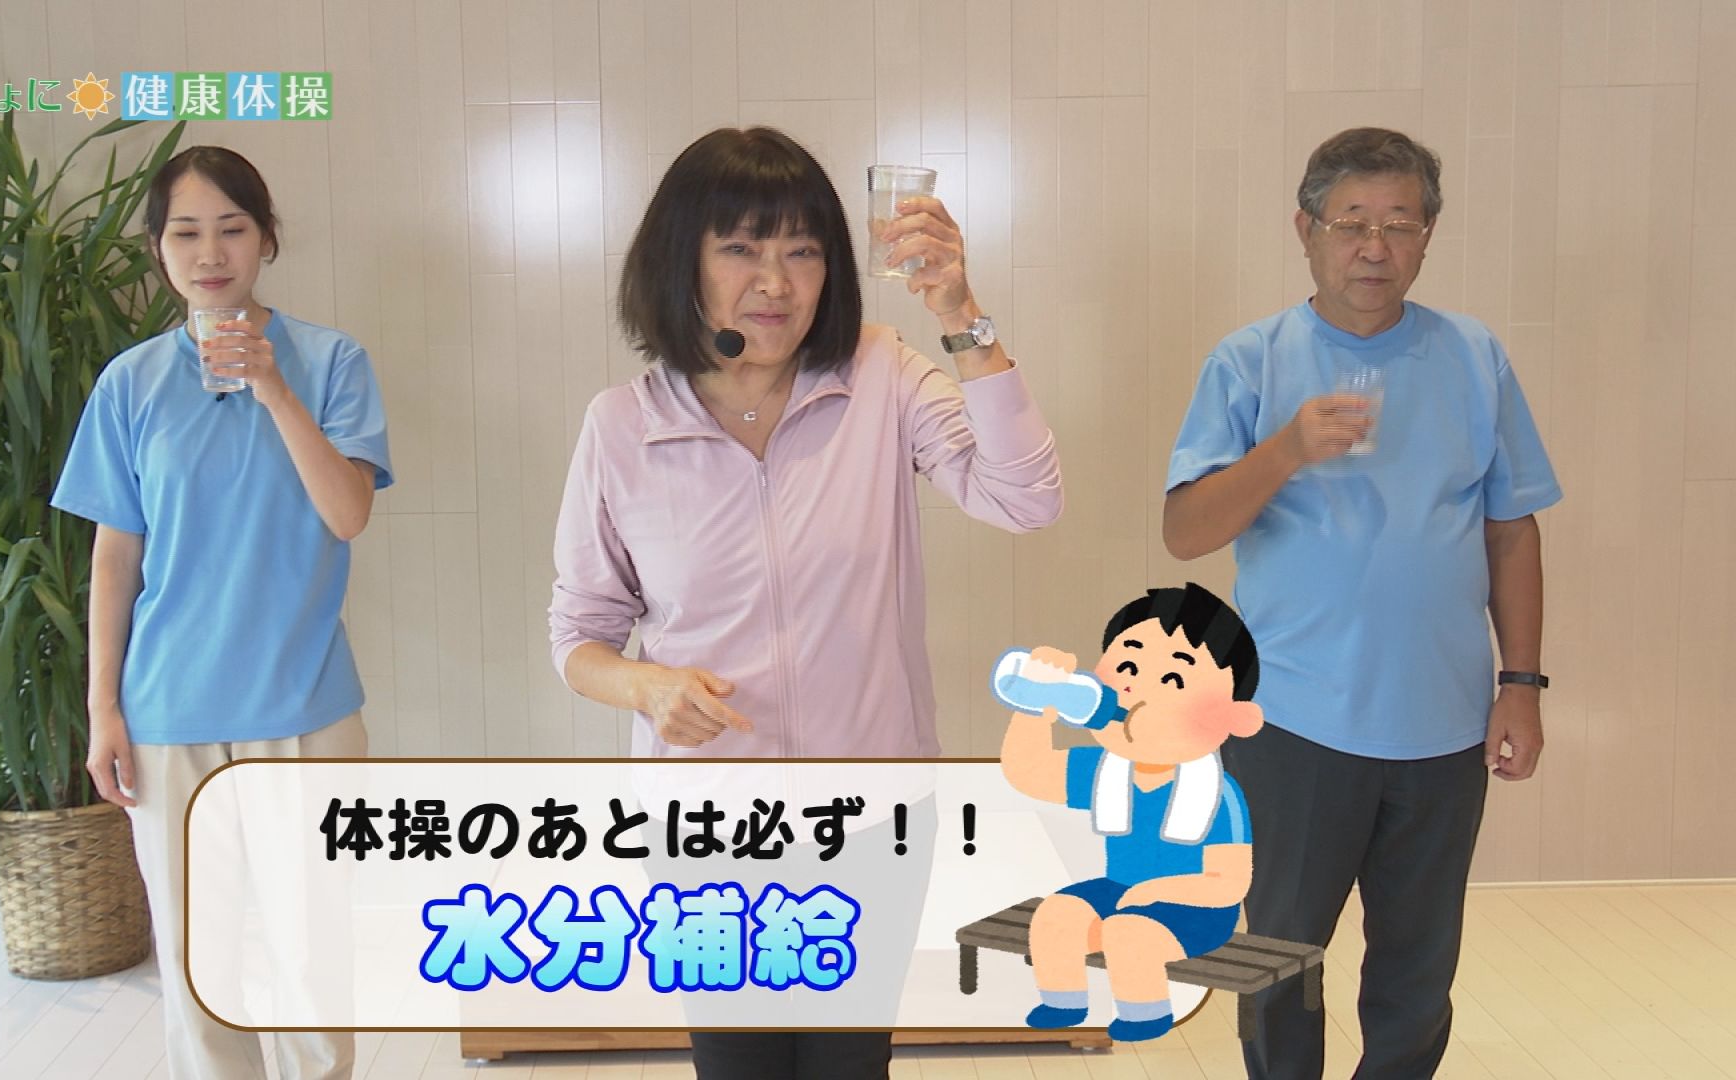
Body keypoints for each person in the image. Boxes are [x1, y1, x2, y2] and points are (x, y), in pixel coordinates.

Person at [548, 126, 1062, 1078]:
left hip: (868, 819)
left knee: (848, 1066)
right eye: (740, 248)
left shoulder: (881, 375)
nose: (775, 282)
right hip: (706, 830)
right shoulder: (623, 426)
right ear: (682, 260)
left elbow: (1026, 498)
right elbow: (580, 634)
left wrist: (962, 312)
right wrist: (646, 688)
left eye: (802, 250)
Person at [1162, 127, 1561, 1079]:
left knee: (1418, 972)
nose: (1374, 247)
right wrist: (1286, 450)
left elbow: (1511, 530)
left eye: (1399, 224)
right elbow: (1186, 530)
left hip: (1443, 725)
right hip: (1293, 723)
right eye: (1351, 222)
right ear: (1306, 230)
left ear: (1427, 237)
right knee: (1280, 961)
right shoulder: (1251, 360)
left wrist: (1521, 685)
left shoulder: (1474, 356)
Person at [52, 145, 392, 1080]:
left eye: (232, 229)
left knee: (311, 955)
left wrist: (274, 388)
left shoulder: (332, 362)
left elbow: (348, 513)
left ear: (266, 238)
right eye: (185, 233)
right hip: (168, 714)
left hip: (305, 708)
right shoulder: (129, 382)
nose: (210, 254)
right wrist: (103, 711)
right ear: (157, 250)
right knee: (198, 962)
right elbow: (115, 557)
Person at [999, 583, 1263, 1041]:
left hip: (1196, 908)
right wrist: (1036, 706)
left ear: (1230, 715)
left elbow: (1229, 883)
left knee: (1129, 934)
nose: (1135, 691)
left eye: (1173, 680)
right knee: (1056, 915)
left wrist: (1156, 891)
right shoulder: (1107, 769)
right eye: (1127, 667)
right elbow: (1029, 772)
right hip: (1122, 889)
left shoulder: (1217, 794)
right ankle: (1063, 1001)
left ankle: (1146, 1014)